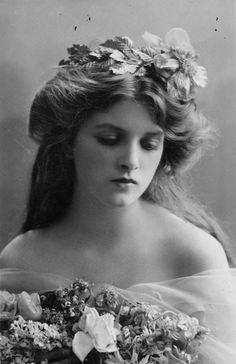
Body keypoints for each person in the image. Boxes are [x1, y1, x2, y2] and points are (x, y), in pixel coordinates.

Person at [0, 28, 236, 362]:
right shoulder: (22, 259)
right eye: (110, 139)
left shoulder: (193, 255)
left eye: (149, 143)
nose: (131, 161)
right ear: (68, 142)